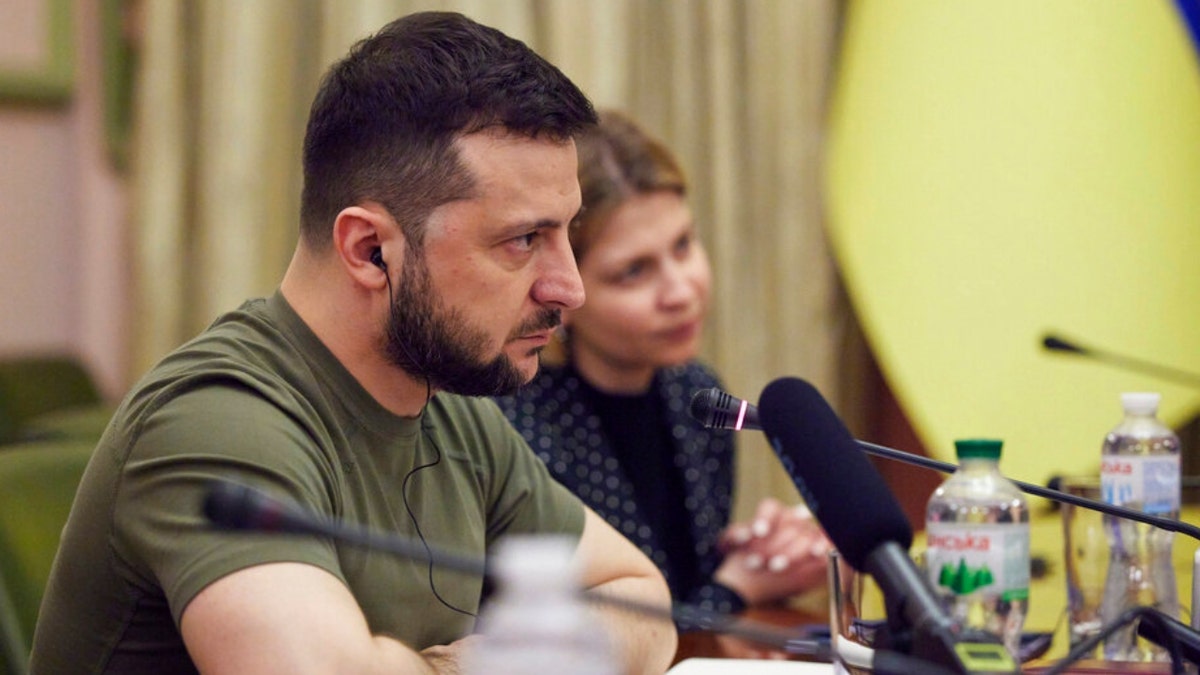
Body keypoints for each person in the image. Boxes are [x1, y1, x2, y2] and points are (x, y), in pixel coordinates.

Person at [30, 14, 675, 675]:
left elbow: (642, 600)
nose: (571, 288)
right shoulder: (216, 422)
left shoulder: (453, 411)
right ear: (370, 251)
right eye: (523, 240)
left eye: (568, 232)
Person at [495, 110, 831, 620]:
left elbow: (684, 581)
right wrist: (736, 589)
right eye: (634, 272)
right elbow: (610, 629)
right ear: (564, 291)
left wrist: (751, 554)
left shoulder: (697, 393)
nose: (681, 290)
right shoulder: (514, 427)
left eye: (683, 245)